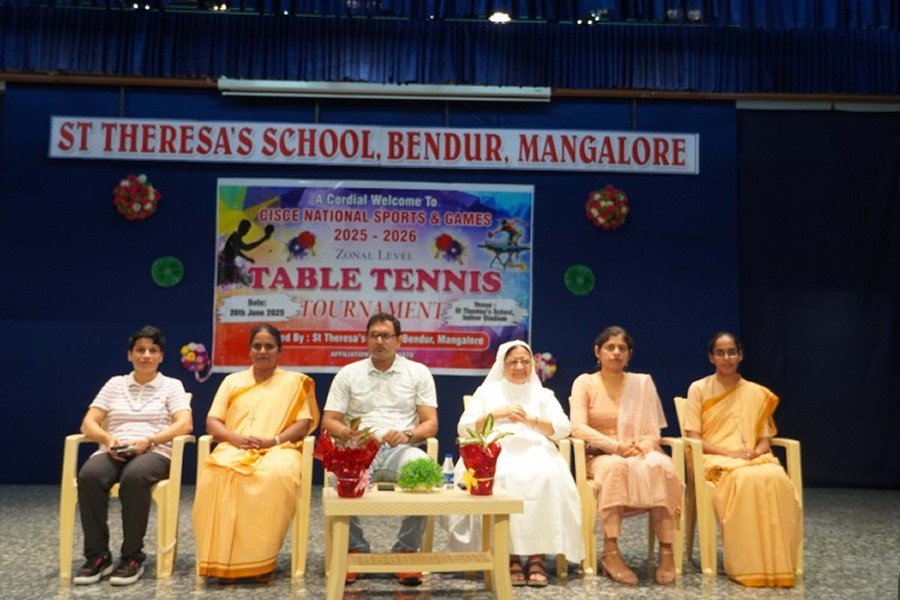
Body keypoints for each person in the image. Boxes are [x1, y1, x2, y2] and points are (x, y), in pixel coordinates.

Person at [448, 340, 584, 587]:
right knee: (501, 477)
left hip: (537, 449)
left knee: (546, 477)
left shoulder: (544, 395)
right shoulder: (487, 392)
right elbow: (464, 428)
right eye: (513, 362)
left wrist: (530, 420)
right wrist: (498, 414)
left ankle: (536, 557)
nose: (520, 366)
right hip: (494, 450)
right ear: (502, 364)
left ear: (532, 364)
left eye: (525, 361)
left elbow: (564, 428)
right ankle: (508, 556)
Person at [193, 324, 320, 581]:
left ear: (279, 351)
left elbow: (303, 423)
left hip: (280, 448)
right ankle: (224, 562)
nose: (262, 351)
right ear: (249, 350)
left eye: (269, 346)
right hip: (235, 446)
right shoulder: (232, 381)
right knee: (215, 473)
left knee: (271, 475)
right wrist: (237, 439)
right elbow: (213, 422)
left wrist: (272, 441)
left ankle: (262, 562)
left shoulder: (294, 382)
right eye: (257, 346)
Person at [322, 313, 438, 587]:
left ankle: (406, 552)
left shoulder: (418, 372)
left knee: (424, 471)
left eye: (386, 336)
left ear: (399, 340)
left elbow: (430, 424)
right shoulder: (349, 373)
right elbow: (329, 421)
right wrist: (352, 435)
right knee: (338, 477)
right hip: (361, 450)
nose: (379, 341)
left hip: (402, 448)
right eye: (373, 335)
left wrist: (408, 434)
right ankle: (355, 550)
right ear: (366, 339)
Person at [74, 325, 192, 586]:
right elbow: (88, 423)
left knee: (135, 477)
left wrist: (150, 440)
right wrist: (107, 439)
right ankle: (98, 556)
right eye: (140, 350)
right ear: (130, 355)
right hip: (115, 448)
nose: (146, 355)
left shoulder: (172, 386)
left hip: (155, 450)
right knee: (90, 475)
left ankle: (132, 556)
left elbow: (185, 424)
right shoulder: (114, 384)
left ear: (161, 356)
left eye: (153, 350)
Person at [684, 331, 801, 587]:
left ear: (740, 355)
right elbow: (694, 438)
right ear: (711, 358)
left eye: (731, 352)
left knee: (775, 478)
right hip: (713, 458)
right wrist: (729, 454)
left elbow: (764, 439)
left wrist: (755, 453)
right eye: (720, 353)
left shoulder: (756, 393)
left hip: (751, 457)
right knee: (745, 479)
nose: (726, 357)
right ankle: (747, 564)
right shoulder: (698, 389)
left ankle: (778, 563)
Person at [569, 326, 684, 586]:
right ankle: (610, 552)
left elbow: (652, 431)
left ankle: (667, 551)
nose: (616, 353)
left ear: (629, 355)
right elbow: (578, 427)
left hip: (636, 451)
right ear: (597, 352)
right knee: (617, 467)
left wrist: (643, 446)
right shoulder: (584, 382)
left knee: (661, 466)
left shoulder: (641, 384)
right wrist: (616, 447)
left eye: (622, 348)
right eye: (610, 347)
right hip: (600, 456)